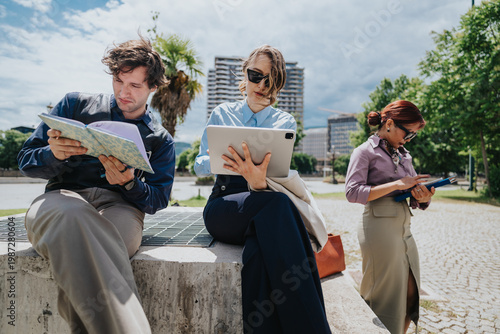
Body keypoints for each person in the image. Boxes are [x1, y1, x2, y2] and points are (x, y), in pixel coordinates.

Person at [17, 37, 175, 334]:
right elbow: (26, 159)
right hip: (63, 199)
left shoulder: (161, 139)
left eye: (135, 86)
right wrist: (54, 154)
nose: (123, 92)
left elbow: (158, 200)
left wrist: (130, 184)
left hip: (120, 207)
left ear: (153, 87)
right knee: (74, 217)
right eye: (118, 81)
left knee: (97, 238)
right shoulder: (75, 104)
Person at [194, 45, 331, 334]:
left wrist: (258, 183)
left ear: (278, 84)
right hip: (224, 205)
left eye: (270, 80)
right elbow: (199, 164)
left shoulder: (284, 122)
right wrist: (228, 163)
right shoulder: (222, 113)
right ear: (245, 73)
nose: (261, 85)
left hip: (264, 198)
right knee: (279, 206)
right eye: (255, 75)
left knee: (259, 253)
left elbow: (278, 173)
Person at [345, 100, 435, 334]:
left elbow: (412, 194)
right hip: (378, 227)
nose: (409, 139)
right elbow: (352, 192)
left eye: (413, 135)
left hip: (403, 226)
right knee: (383, 295)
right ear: (390, 123)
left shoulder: (405, 155)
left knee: (410, 291)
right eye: (408, 132)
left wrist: (423, 196)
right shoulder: (364, 152)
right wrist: (397, 183)